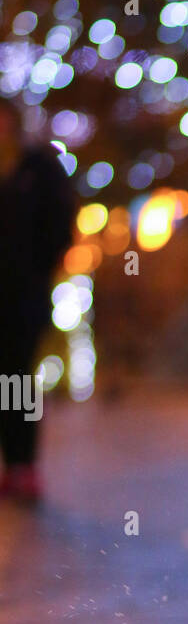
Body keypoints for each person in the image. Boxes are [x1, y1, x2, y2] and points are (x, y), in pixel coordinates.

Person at [0, 98, 75, 502]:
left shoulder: (38, 167)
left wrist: (38, 269)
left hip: (22, 296)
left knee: (17, 379)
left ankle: (22, 464)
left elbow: (62, 221)